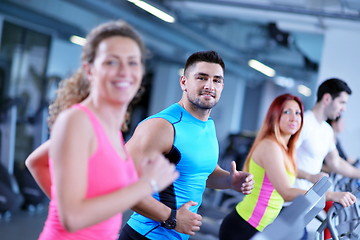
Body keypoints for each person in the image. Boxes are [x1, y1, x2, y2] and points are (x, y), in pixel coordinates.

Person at [26, 20, 179, 240]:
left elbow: (36, 162)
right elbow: (72, 219)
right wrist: (147, 184)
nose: (124, 71)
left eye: (132, 62)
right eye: (111, 62)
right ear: (90, 70)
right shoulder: (77, 121)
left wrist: (84, 213)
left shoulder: (110, 126)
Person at [118, 50, 254, 240]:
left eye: (216, 80)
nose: (209, 86)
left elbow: (198, 172)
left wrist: (229, 181)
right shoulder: (162, 126)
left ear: (222, 85)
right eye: (201, 78)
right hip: (145, 236)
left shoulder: (208, 126)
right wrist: (172, 218)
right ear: (184, 82)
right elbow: (120, 184)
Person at [218, 94, 305, 239]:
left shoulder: (285, 148)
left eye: (298, 113)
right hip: (244, 228)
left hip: (261, 229)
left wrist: (310, 176)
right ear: (275, 116)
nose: (294, 117)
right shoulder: (270, 146)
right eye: (286, 112)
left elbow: (288, 172)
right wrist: (329, 196)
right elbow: (286, 192)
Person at [294, 78, 358, 239]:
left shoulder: (327, 130)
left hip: (309, 200)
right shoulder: (302, 122)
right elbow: (284, 163)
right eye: (342, 102)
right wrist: (310, 177)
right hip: (292, 198)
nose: (343, 109)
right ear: (327, 98)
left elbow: (336, 162)